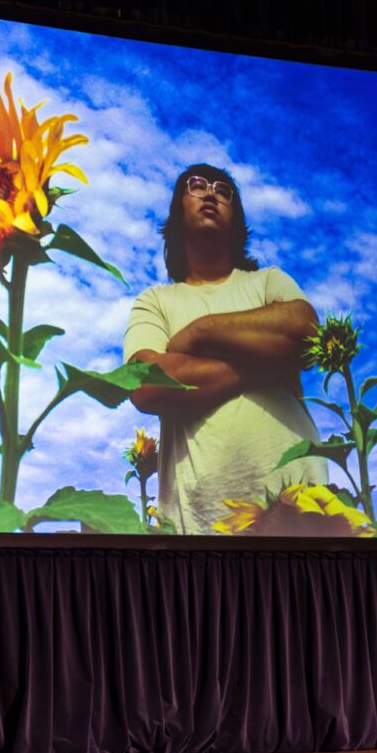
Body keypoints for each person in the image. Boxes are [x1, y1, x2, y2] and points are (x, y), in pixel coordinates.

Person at [124, 165, 325, 534]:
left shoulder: (267, 280)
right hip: (203, 520)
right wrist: (264, 365)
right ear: (176, 212)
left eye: (224, 190)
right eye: (196, 185)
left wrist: (199, 333)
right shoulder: (154, 302)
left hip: (302, 503)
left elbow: (305, 330)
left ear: (237, 219)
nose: (211, 193)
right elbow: (144, 383)